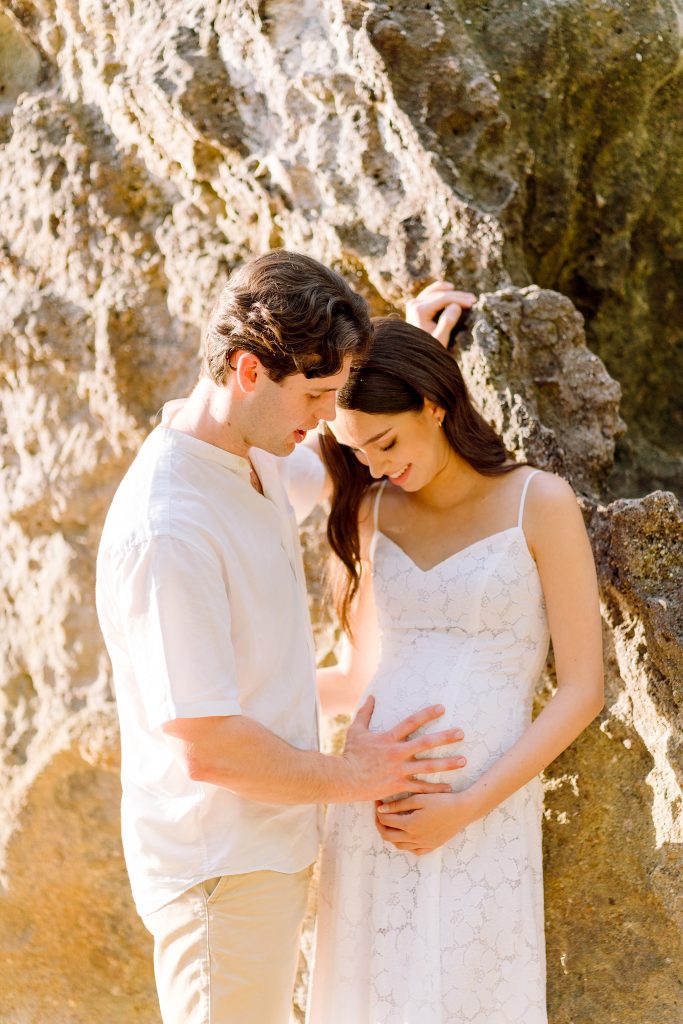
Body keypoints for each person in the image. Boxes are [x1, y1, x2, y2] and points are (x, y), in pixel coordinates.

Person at [95, 251, 467, 1024]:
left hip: (265, 855)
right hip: (217, 877)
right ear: (246, 370)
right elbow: (210, 746)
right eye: (316, 394)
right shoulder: (171, 529)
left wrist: (411, 356)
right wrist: (355, 774)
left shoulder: (251, 455)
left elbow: (339, 469)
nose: (328, 415)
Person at [306, 316, 604, 1024]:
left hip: (480, 808)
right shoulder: (370, 511)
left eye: (386, 441)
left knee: (469, 992)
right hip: (371, 806)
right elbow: (352, 679)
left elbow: (582, 690)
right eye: (357, 450)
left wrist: (466, 806)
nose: (375, 464)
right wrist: (221, 705)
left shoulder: (540, 501)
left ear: (434, 405)